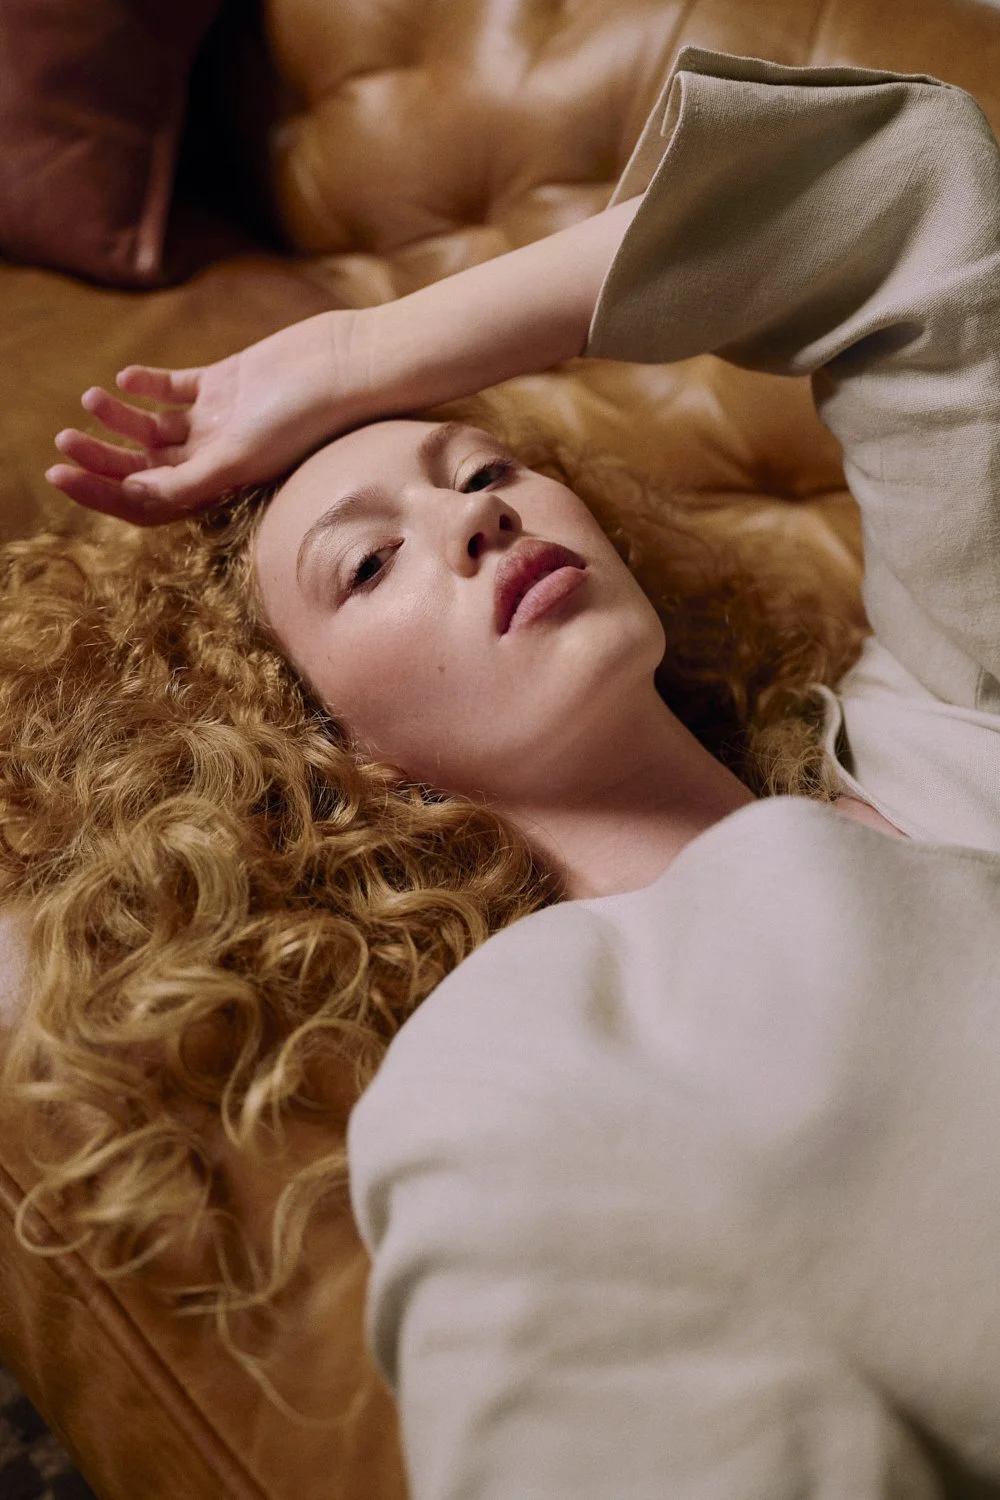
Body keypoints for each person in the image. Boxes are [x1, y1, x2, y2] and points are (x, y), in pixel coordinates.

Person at [31, 41, 1000, 1496]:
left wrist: (359, 356)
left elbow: (903, 190)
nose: (476, 520)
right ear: (330, 755)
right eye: (368, 565)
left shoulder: (943, 695)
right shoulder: (513, 1069)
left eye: (483, 472)